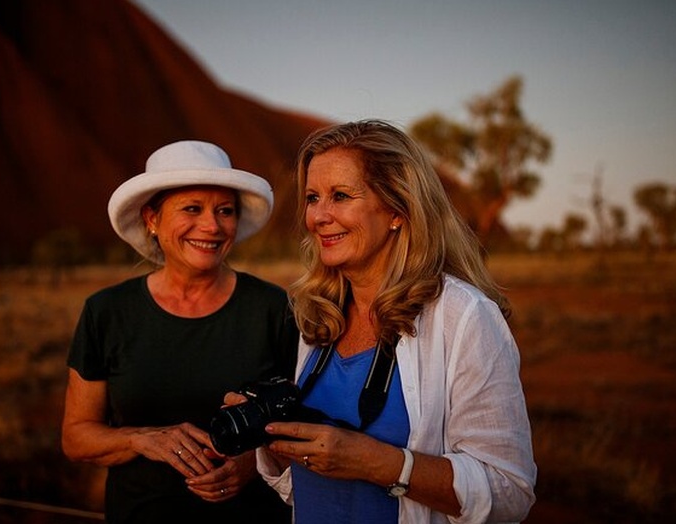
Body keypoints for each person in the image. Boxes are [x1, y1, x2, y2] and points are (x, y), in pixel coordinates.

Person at [227, 120, 537, 523]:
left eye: (340, 196)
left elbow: (509, 491)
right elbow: (306, 488)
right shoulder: (322, 316)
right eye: (312, 198)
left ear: (397, 208)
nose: (319, 216)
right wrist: (272, 438)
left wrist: (380, 463)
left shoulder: (462, 316)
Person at [61, 140, 298, 523]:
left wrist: (254, 463)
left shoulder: (273, 308)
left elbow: (302, 419)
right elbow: (76, 436)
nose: (212, 226)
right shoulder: (107, 312)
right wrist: (141, 438)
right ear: (152, 219)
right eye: (192, 208)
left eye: (225, 211)